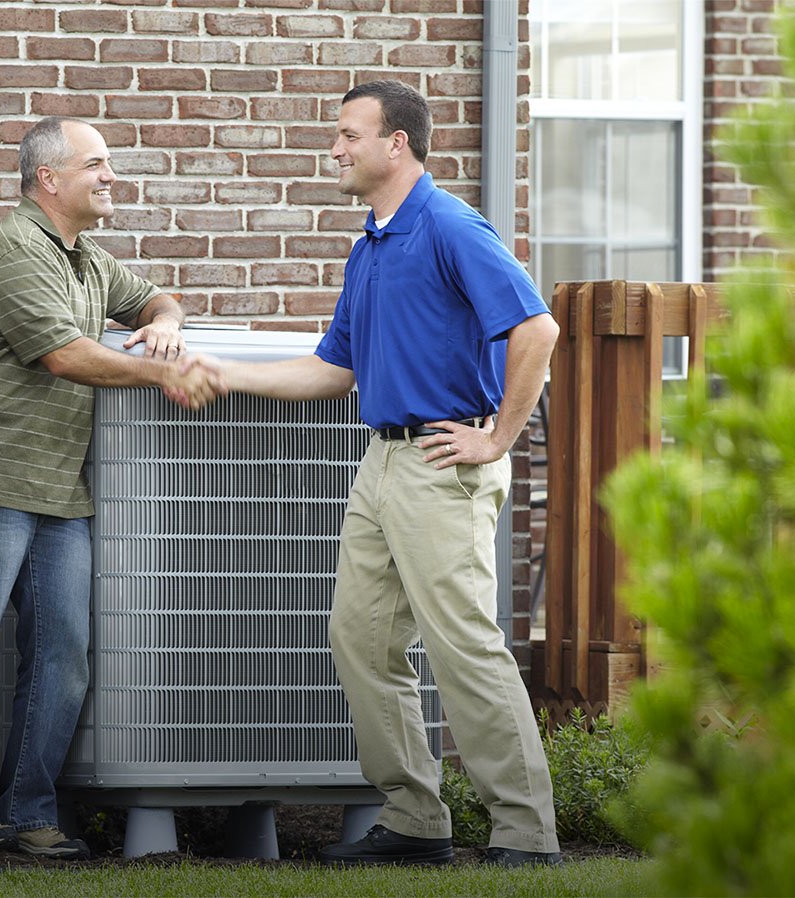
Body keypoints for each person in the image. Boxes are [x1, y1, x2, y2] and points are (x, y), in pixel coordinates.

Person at [198, 81, 562, 867]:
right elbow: (334, 371)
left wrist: (498, 439)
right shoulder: (370, 245)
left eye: (348, 134)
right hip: (381, 463)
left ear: (396, 144)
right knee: (360, 639)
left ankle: (526, 834)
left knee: (463, 644)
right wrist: (220, 372)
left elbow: (537, 326)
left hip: (440, 460)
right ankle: (415, 819)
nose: (335, 148)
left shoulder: (449, 225)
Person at [0, 116, 221, 858]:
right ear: (48, 178)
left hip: (62, 491)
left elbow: (155, 298)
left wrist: (166, 327)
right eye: (97, 164)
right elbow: (63, 355)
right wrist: (165, 373)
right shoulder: (17, 248)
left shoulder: (85, 257)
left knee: (67, 652)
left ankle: (30, 811)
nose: (110, 175)